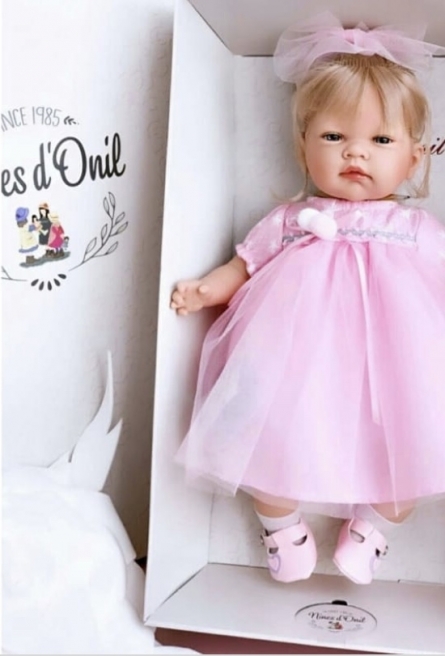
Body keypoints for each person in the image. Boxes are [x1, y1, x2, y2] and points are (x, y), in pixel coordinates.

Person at [170, 13, 445, 585]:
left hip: (392, 371)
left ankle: (370, 534)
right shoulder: (292, 219)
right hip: (298, 364)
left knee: (412, 458)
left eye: (381, 140)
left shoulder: (416, 229)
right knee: (264, 441)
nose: (356, 153)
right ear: (303, 146)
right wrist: (208, 288)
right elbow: (245, 264)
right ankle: (283, 531)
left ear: (414, 158)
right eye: (334, 137)